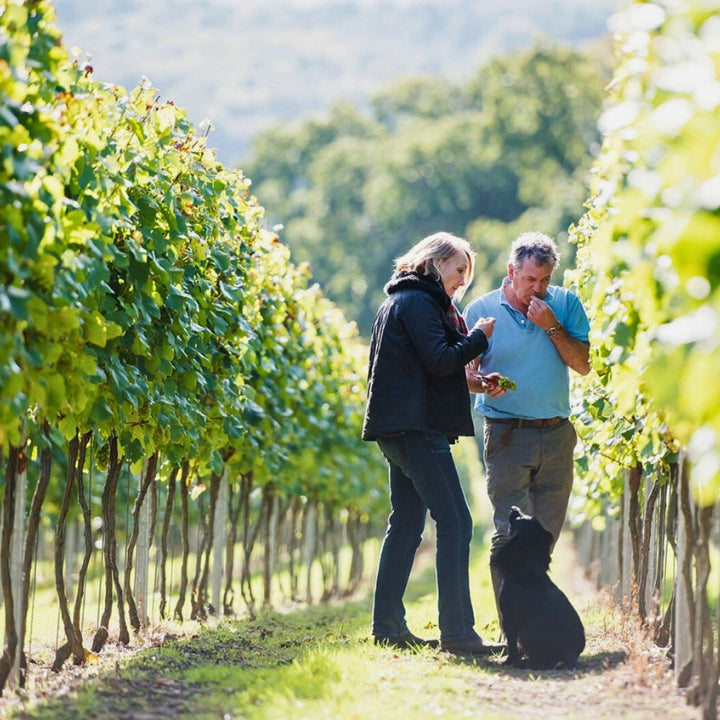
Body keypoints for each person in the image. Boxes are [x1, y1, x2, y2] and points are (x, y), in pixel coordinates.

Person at [362, 231, 504, 656]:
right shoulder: (421, 301)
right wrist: (479, 337)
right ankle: (458, 633)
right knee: (457, 521)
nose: (462, 280)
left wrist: (472, 382)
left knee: (405, 524)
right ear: (436, 262)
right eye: (460, 269)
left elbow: (426, 367)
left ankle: (387, 626)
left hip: (398, 427)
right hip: (416, 429)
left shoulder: (399, 301)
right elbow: (442, 357)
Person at [463, 231, 591, 617]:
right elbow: (464, 374)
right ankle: (511, 630)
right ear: (510, 272)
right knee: (507, 534)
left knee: (544, 537)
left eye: (545, 280)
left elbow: (583, 364)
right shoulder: (480, 310)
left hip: (556, 433)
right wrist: (483, 384)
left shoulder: (566, 304)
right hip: (505, 432)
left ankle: (537, 621)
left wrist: (551, 325)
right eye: (530, 279)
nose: (537, 288)